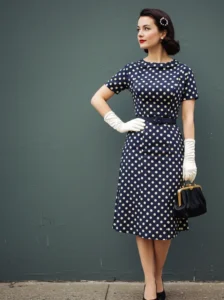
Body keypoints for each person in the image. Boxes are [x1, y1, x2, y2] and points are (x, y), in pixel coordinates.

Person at [91, 8, 198, 300]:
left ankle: (157, 277)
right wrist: (120, 124)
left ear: (163, 33)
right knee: (142, 216)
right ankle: (151, 284)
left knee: (164, 218)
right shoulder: (132, 69)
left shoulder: (183, 71)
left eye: (146, 28)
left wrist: (190, 156)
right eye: (137, 28)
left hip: (170, 148)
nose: (139, 33)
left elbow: (188, 118)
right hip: (138, 150)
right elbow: (97, 98)